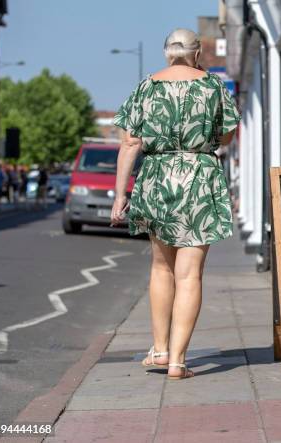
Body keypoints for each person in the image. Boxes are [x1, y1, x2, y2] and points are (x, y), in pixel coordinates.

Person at [111, 28, 241, 380]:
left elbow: (129, 143)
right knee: (189, 274)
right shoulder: (213, 86)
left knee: (160, 268)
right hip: (199, 178)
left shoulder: (145, 87)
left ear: (167, 53)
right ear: (197, 54)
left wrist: (121, 195)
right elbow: (228, 134)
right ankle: (178, 361)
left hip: (156, 178)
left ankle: (159, 348)